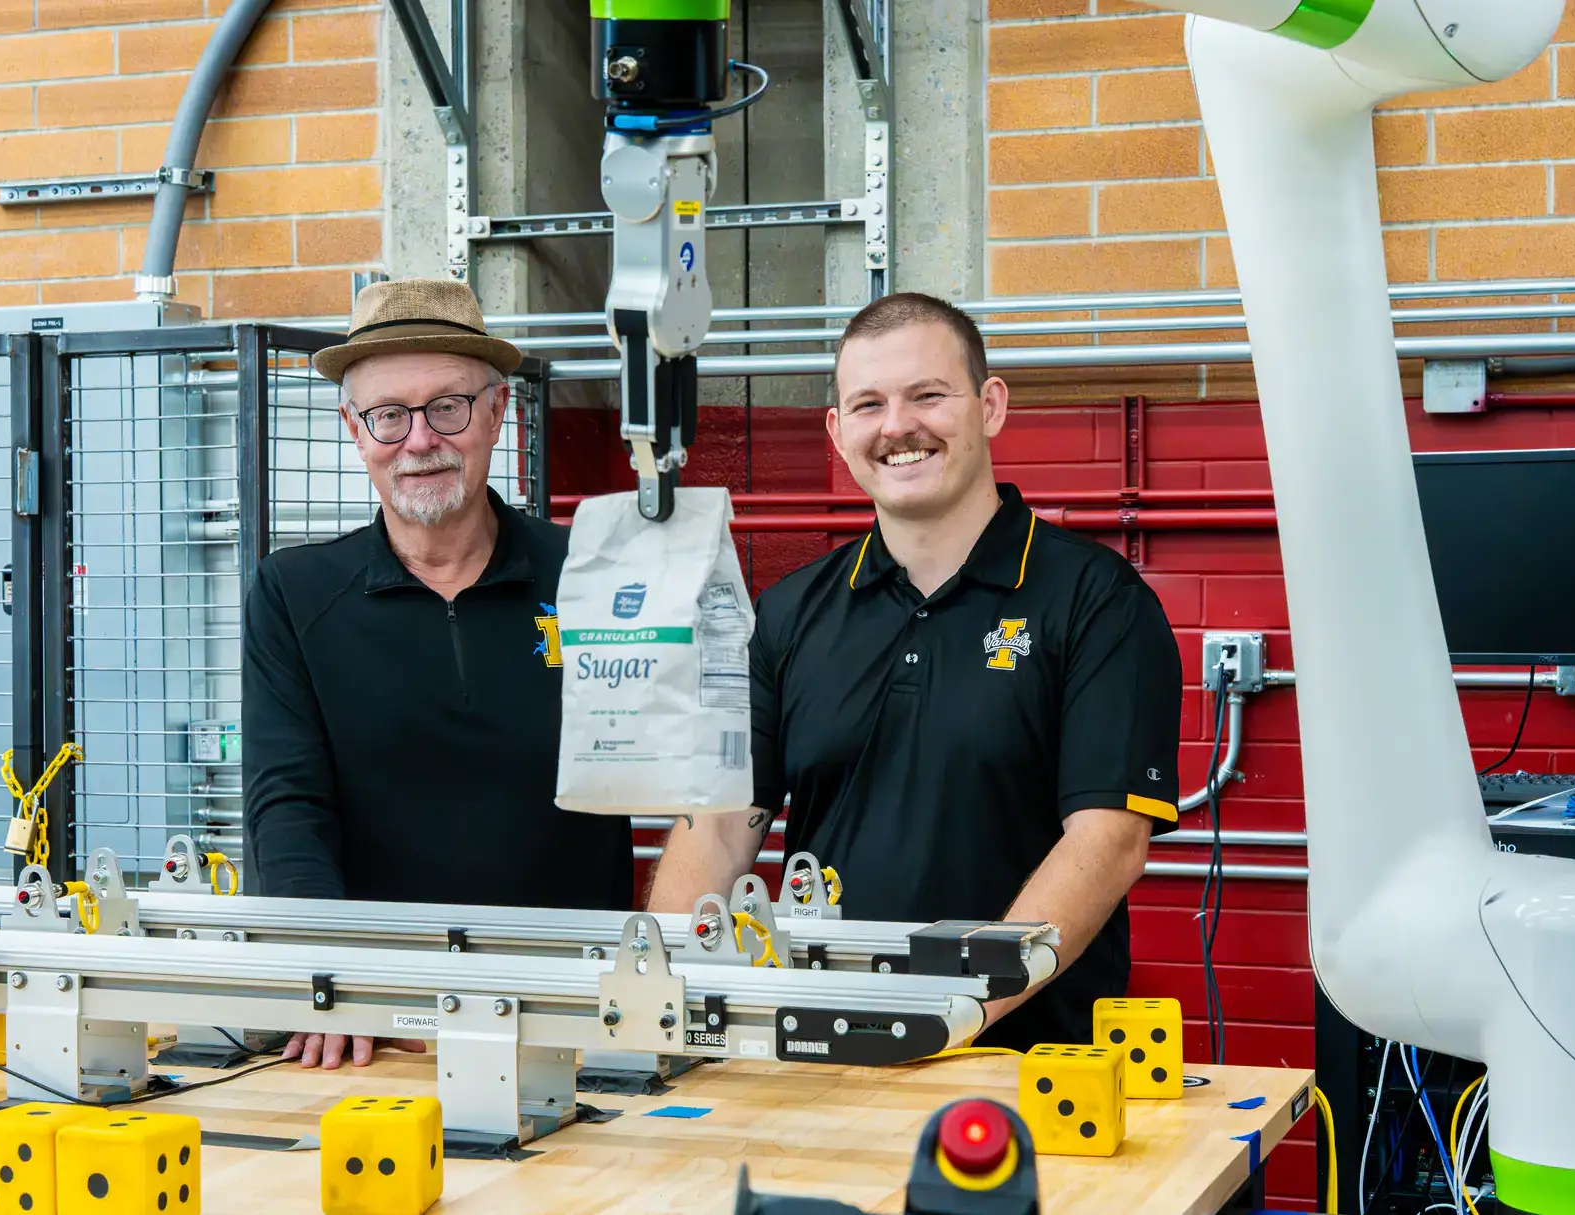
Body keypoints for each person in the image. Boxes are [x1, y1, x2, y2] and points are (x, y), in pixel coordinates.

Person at [646, 292, 1182, 1050]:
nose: (898, 426)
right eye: (868, 404)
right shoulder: (788, 614)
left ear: (990, 405)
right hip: (818, 1054)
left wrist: (948, 1012)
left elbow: (1108, 841)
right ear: (837, 431)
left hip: (1023, 1065)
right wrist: (656, 1003)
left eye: (928, 395)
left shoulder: (1098, 603)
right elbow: (721, 825)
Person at [243, 278, 634, 1069]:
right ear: (354, 431)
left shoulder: (594, 572)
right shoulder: (296, 593)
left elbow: (681, 774)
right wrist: (331, 973)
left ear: (497, 413)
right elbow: (287, 805)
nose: (419, 439)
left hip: (577, 1008)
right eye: (389, 415)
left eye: (448, 407)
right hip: (378, 1018)